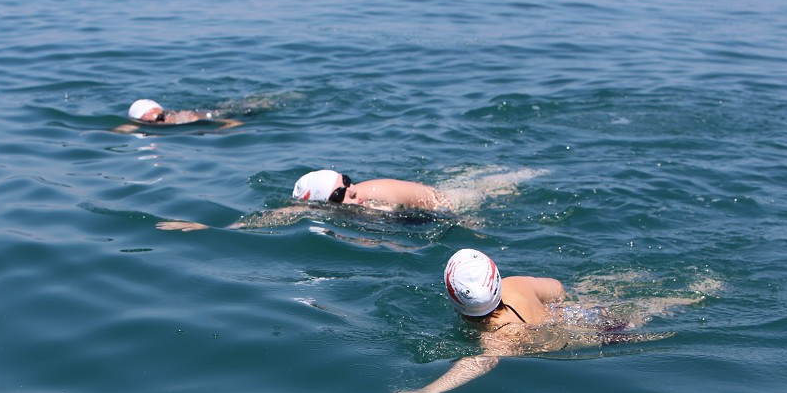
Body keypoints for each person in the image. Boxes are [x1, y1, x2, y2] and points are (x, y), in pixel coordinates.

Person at [385, 249, 693, 393]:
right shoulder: (516, 285)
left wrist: (429, 390)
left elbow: (481, 362)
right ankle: (692, 294)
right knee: (655, 307)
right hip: (579, 315)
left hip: (594, 337)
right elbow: (556, 288)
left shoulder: (498, 336)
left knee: (648, 329)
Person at [156, 167, 543, 232]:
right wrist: (209, 228)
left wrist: (465, 224)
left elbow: (441, 205)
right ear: (325, 204)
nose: (353, 191)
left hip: (458, 199)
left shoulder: (375, 196)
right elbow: (276, 216)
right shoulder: (320, 208)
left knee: (512, 183)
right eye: (343, 192)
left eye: (349, 181)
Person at [113, 99, 242, 132]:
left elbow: (235, 123)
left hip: (237, 113)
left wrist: (215, 131)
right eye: (151, 122)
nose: (160, 122)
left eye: (161, 116)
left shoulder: (189, 118)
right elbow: (118, 132)